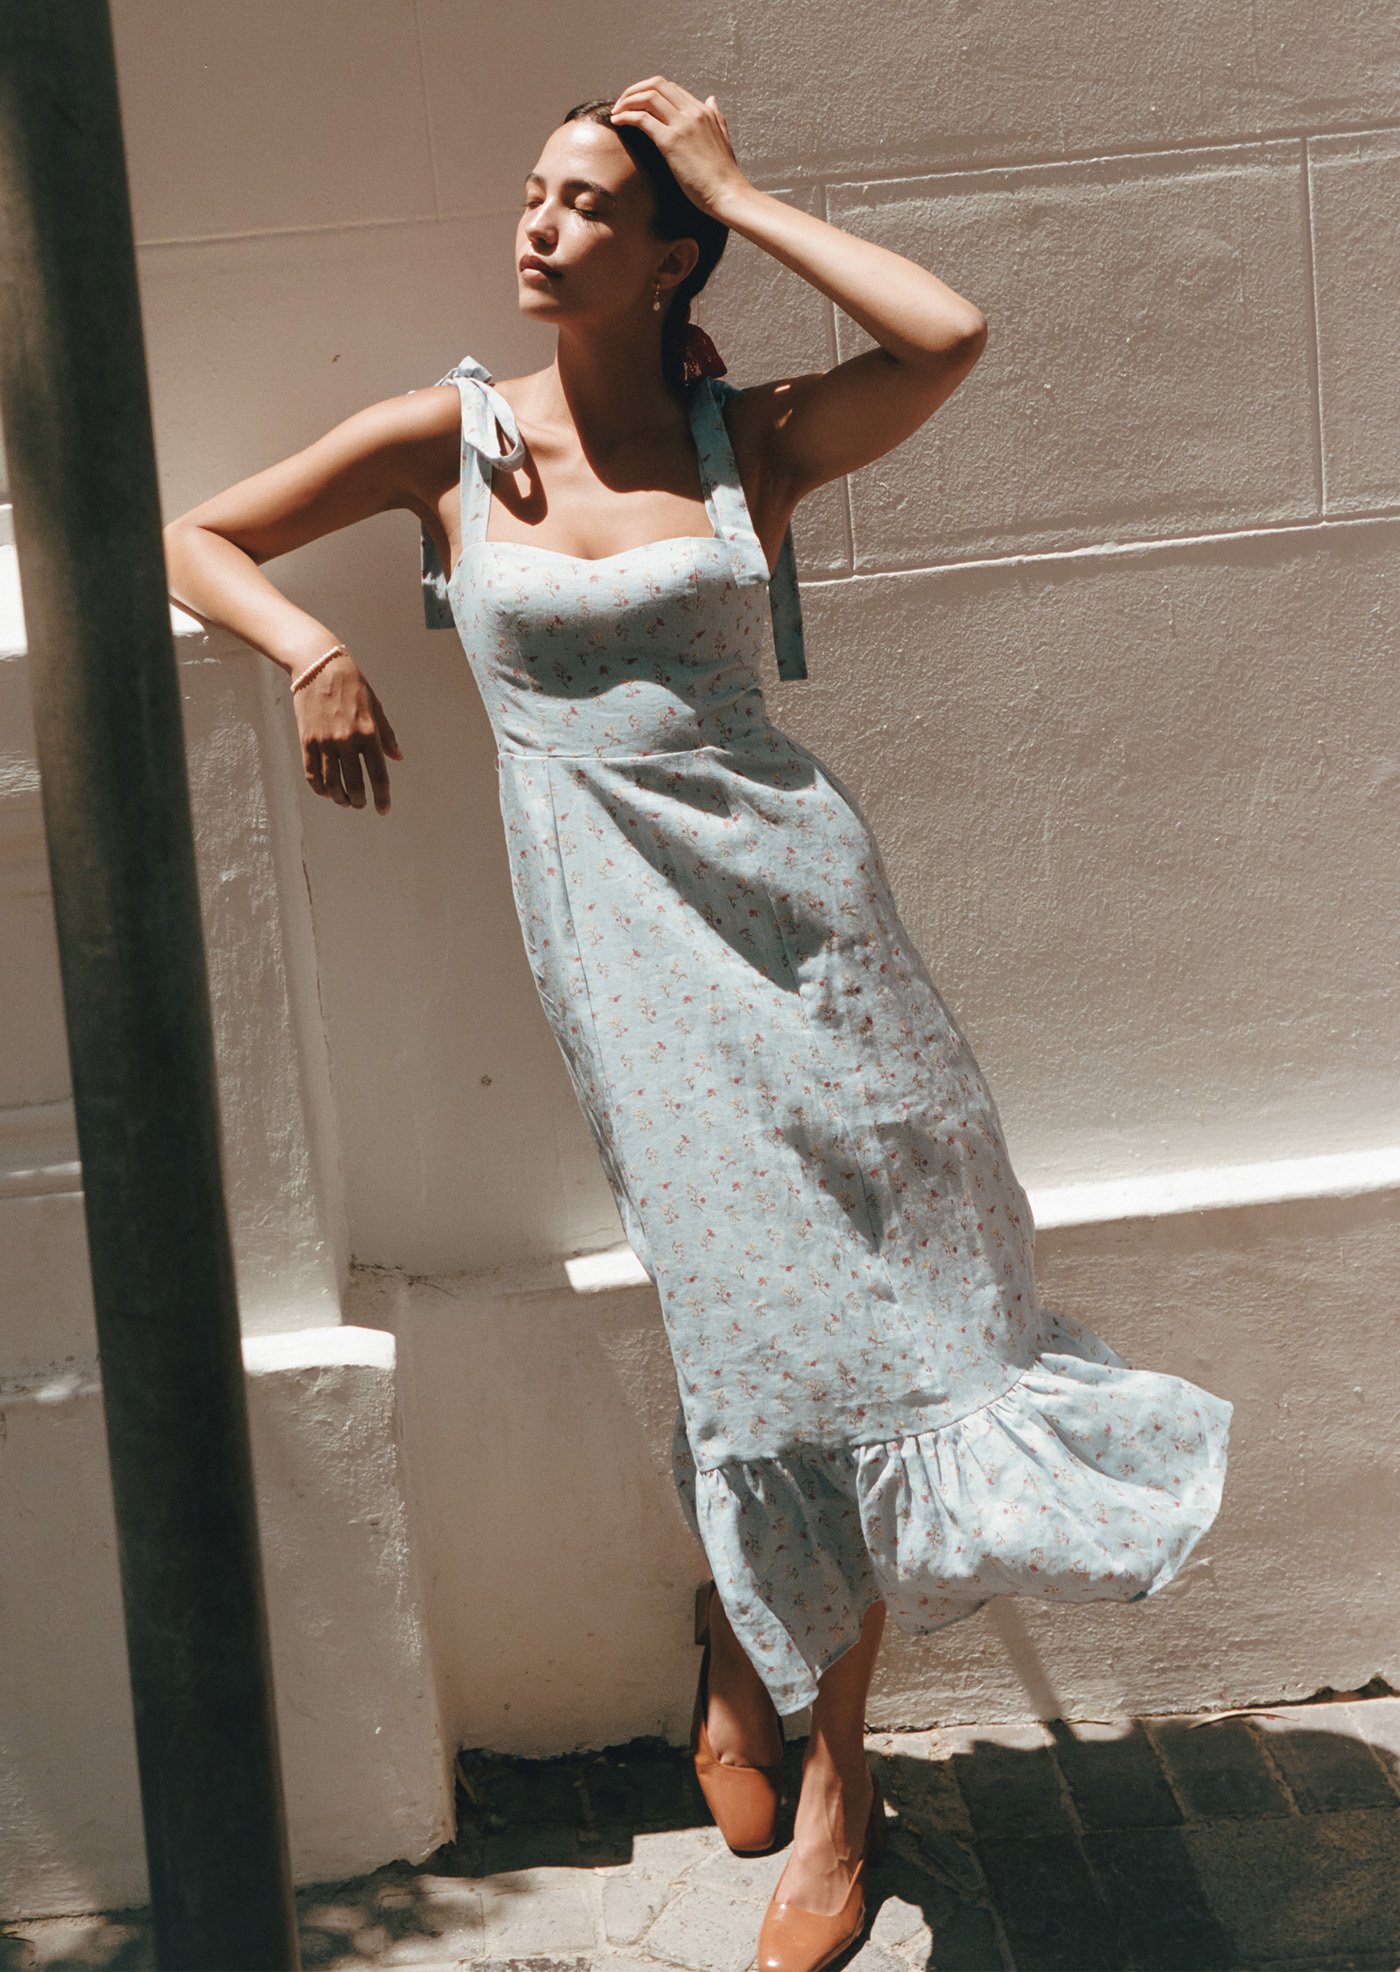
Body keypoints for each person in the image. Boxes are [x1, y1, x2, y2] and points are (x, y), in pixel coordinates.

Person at [164, 75, 1233, 1972]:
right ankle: (745, 1651)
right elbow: (197, 534)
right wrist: (314, 647)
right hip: (629, 968)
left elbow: (948, 336)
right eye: (536, 192)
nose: (539, 223)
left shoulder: (756, 441)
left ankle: (835, 1780)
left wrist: (742, 188)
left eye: (590, 204)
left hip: (819, 937)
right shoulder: (452, 437)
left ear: (670, 259)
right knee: (758, 1326)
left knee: (882, 1325)